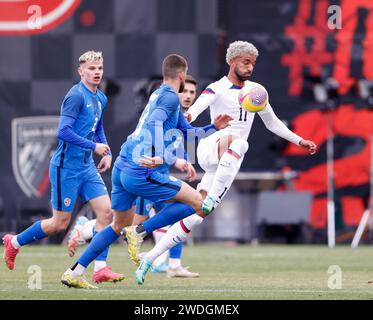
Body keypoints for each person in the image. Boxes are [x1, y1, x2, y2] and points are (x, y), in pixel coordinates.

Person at [129, 41, 318, 284]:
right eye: (245, 62)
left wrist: (299, 140)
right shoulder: (216, 88)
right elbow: (195, 110)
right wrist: (186, 116)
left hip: (227, 161)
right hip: (212, 146)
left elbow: (272, 122)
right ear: (232, 62)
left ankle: (150, 256)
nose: (250, 68)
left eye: (253, 63)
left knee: (199, 212)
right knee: (240, 143)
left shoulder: (257, 91)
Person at [60, 54, 232, 288]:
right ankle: (140, 232)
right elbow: (155, 124)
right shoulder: (171, 98)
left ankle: (75, 271)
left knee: (117, 226)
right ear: (182, 75)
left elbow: (188, 132)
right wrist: (160, 154)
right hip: (140, 170)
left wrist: (214, 127)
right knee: (201, 204)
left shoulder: (159, 94)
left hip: (123, 166)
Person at [2, 51, 124, 286]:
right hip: (65, 168)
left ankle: (100, 268)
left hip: (87, 167)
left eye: (99, 68)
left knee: (108, 213)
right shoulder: (75, 96)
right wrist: (94, 146)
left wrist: (105, 149)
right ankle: (14, 242)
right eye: (91, 68)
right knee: (59, 224)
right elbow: (63, 132)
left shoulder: (101, 98)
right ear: (81, 71)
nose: (97, 72)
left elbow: (97, 128)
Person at [67, 74, 201, 278]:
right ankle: (86, 230)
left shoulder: (177, 113)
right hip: (145, 174)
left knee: (146, 221)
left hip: (147, 172)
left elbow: (184, 138)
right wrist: (172, 160)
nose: (188, 95)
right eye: (185, 90)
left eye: (193, 92)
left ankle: (173, 264)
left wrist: (187, 157)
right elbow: (156, 137)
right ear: (178, 85)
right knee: (131, 225)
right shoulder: (166, 104)